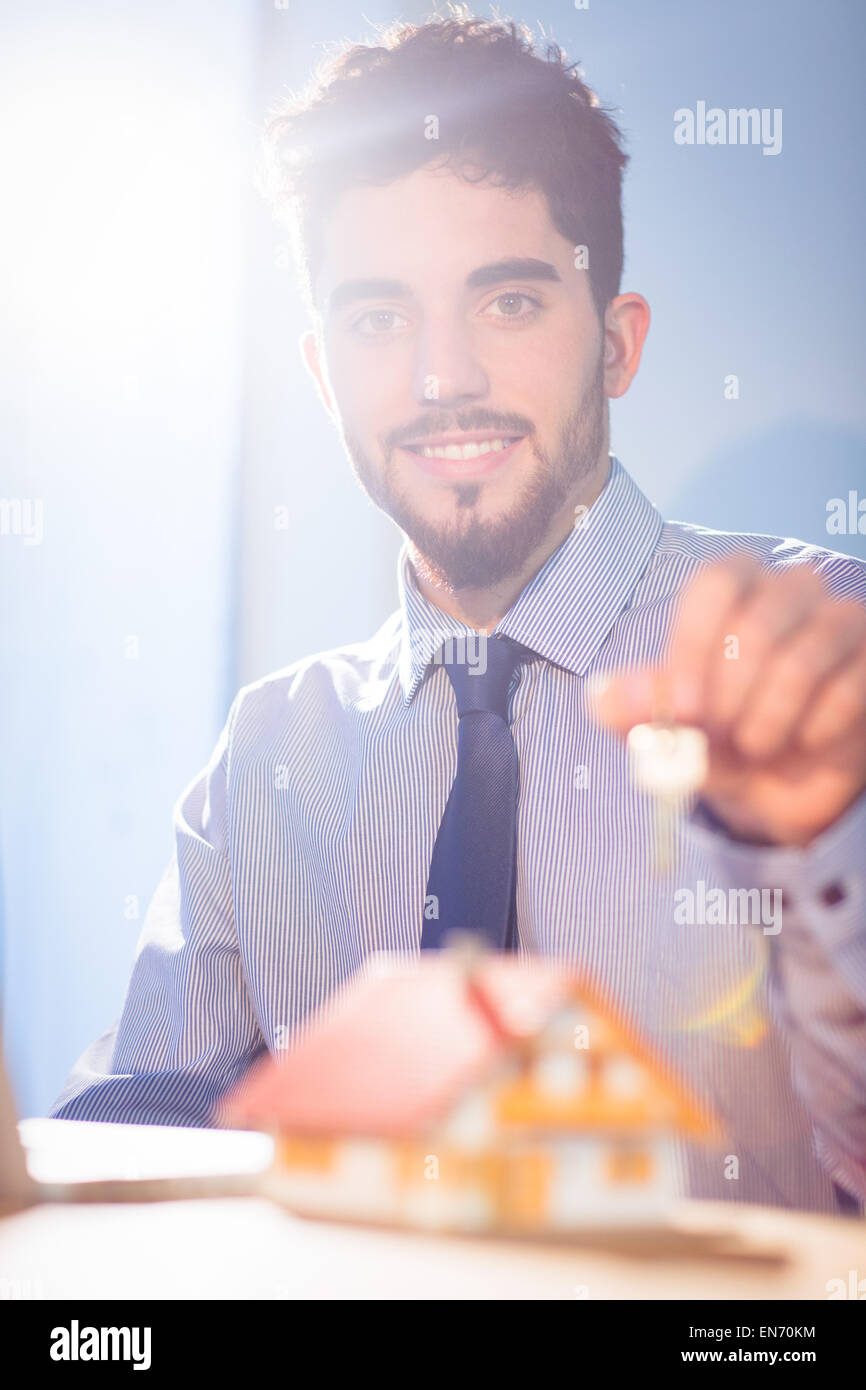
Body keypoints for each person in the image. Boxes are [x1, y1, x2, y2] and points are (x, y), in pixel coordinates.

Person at [52, 17, 866, 1212]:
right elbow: (152, 1143)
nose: (442, 379)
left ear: (615, 342)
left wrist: (820, 838)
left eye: (508, 303)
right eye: (379, 318)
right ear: (325, 371)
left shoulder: (826, 659)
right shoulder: (267, 756)